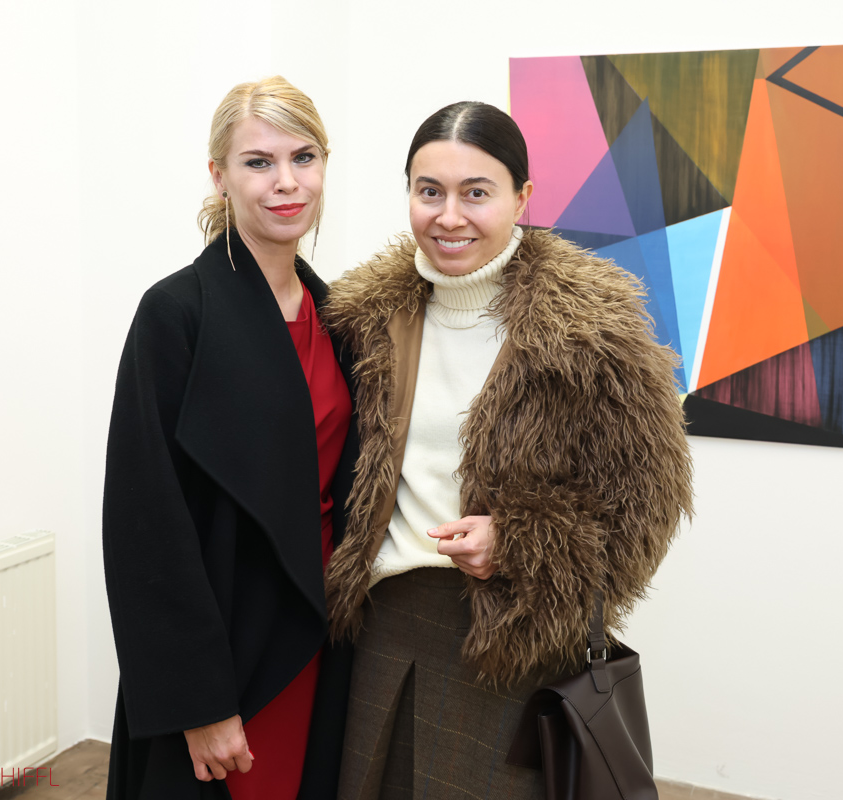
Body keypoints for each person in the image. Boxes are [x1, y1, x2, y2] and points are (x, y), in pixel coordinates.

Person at [321, 101, 694, 799]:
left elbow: (647, 510)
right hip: (380, 629)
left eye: (476, 193)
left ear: (522, 198)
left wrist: (519, 544)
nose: (449, 216)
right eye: (429, 191)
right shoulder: (360, 316)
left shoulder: (594, 329)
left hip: (510, 641)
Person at [102, 76, 359, 800]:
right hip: (226, 647)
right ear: (219, 175)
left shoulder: (339, 315)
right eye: (258, 162)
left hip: (319, 627)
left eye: (303, 158)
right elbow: (144, 524)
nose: (286, 182)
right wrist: (199, 702)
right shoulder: (175, 313)